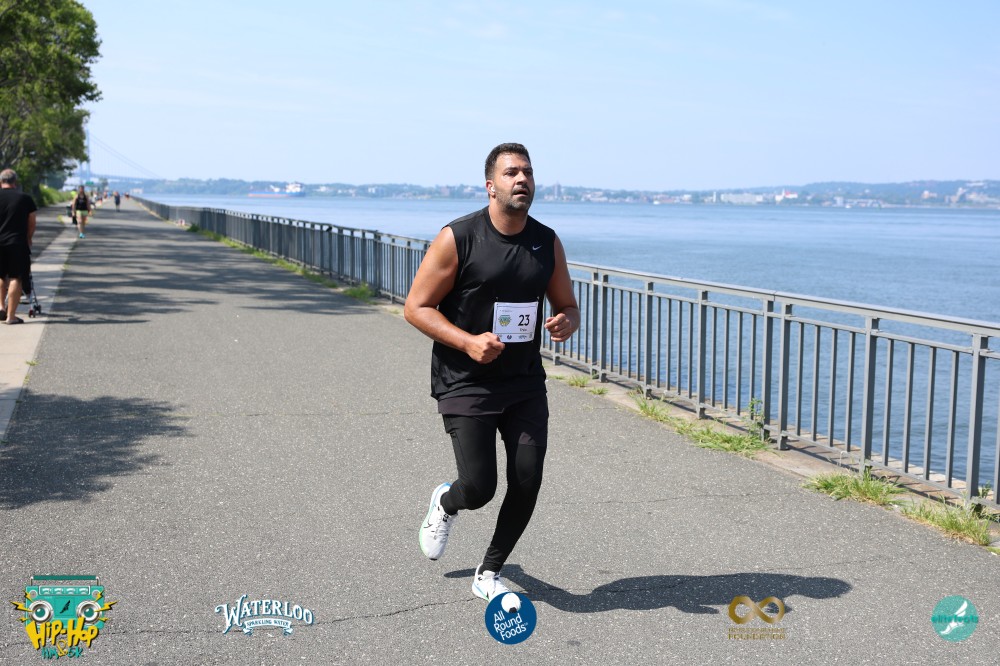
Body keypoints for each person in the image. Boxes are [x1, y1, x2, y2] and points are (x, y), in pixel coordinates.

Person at [404, 143, 580, 608]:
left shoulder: (546, 242)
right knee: (480, 488)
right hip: (466, 380)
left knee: (527, 479)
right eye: (511, 172)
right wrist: (467, 342)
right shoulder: (458, 237)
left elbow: (567, 304)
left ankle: (490, 572)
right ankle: (446, 502)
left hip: (523, 382)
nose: (522, 179)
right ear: (490, 185)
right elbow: (416, 307)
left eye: (528, 172)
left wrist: (567, 320)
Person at [0, 169, 37, 325]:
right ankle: (11, 316)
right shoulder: (25, 198)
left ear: (1, 181)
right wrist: (29, 237)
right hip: (17, 243)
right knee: (16, 277)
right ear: (15, 182)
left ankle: (1, 307)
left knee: (1, 276)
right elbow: (32, 221)